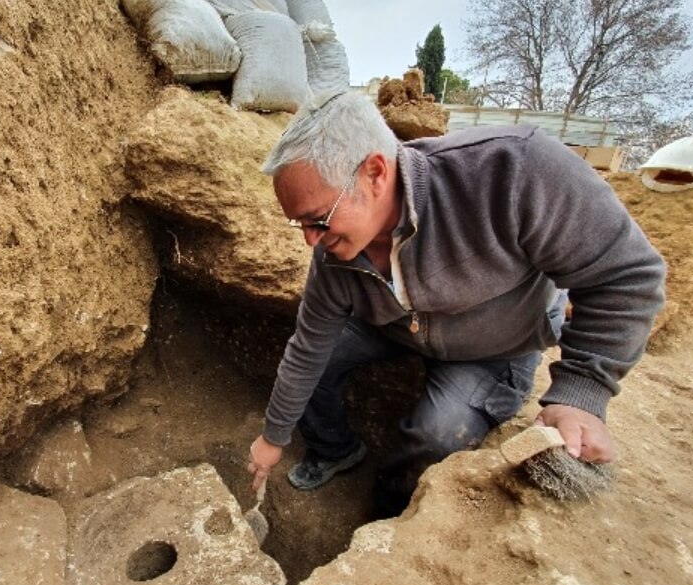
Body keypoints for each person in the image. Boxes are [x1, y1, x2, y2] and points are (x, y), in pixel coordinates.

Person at [246, 91, 666, 518]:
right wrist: (273, 438)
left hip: (495, 346)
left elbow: (626, 275)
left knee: (436, 435)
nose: (310, 240)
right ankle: (335, 449)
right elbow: (307, 348)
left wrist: (582, 393)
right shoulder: (334, 252)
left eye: (318, 219)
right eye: (299, 223)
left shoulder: (515, 171)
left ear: (375, 173)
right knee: (320, 363)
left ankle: (390, 514)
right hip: (394, 325)